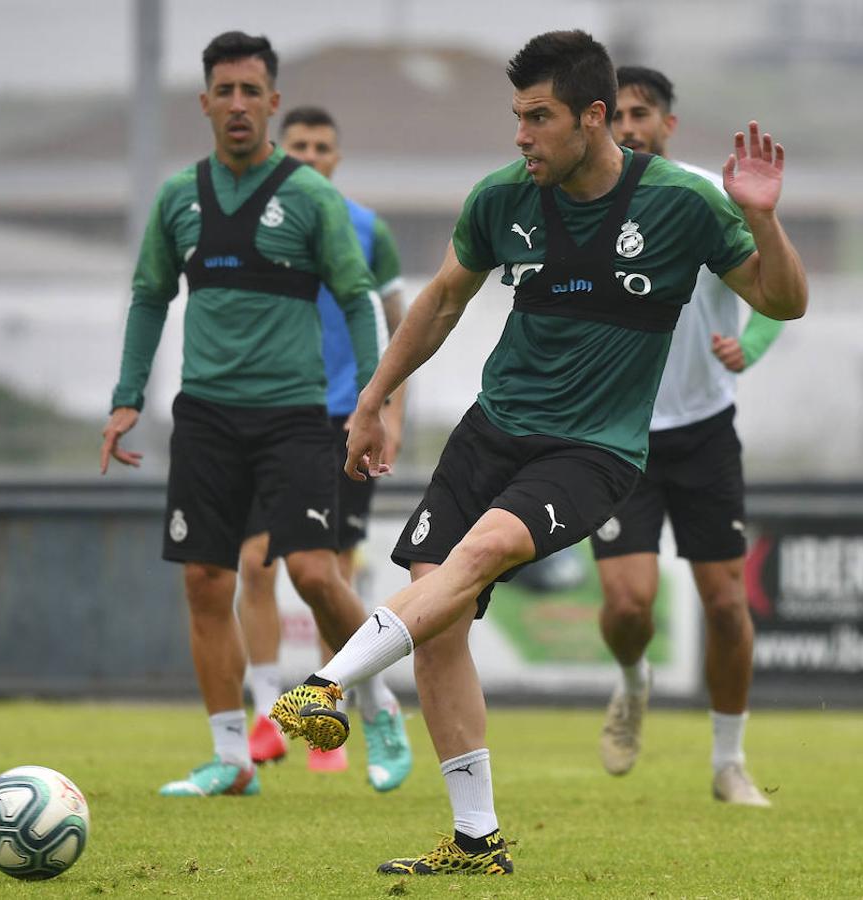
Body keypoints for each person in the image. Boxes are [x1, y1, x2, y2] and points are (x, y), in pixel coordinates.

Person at [270, 30, 808, 874]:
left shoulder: (681, 203)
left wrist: (764, 221)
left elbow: (784, 298)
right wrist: (374, 399)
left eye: (539, 117)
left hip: (594, 451)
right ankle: (476, 839)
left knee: (477, 555)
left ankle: (324, 686)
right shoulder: (502, 198)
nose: (521, 135)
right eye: (516, 116)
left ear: (594, 119)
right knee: (436, 611)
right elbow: (442, 301)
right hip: (493, 429)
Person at [98, 31, 405, 800]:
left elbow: (358, 299)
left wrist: (374, 401)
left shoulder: (310, 197)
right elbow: (147, 297)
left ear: (272, 102)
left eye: (251, 91)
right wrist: (127, 396)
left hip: (295, 417)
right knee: (207, 580)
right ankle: (231, 757)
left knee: (312, 572)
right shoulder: (178, 198)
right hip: (204, 417)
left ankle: (376, 701)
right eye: (223, 91)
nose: (237, 105)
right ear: (204, 103)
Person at [591, 66, 783, 805]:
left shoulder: (706, 197)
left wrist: (752, 346)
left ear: (667, 123)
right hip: (620, 435)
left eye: (643, 114)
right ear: (600, 124)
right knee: (629, 607)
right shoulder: (585, 201)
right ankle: (634, 681)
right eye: (619, 116)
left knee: (727, 605)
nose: (630, 127)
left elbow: (777, 282)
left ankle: (728, 762)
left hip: (703, 431)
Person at [238, 105, 412, 790]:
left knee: (327, 577)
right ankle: (262, 714)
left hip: (343, 420)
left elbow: (399, 329)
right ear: (283, 150)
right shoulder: (258, 222)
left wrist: (390, 410)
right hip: (271, 416)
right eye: (299, 146)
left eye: (322, 147)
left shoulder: (369, 231)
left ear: (338, 156)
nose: (310, 156)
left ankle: (333, 714)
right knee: (255, 564)